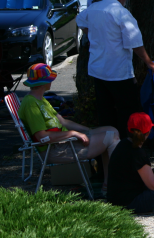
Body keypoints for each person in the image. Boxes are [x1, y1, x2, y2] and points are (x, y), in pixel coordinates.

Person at [76, 0, 154, 139]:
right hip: (118, 72)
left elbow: (80, 20)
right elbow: (135, 42)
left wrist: (94, 35)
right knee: (129, 112)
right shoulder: (121, 13)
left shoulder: (94, 8)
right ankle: (128, 144)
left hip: (98, 71)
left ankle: (108, 146)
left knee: (105, 113)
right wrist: (149, 63)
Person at [18, 63, 120, 194]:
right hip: (55, 150)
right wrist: (74, 133)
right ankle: (113, 187)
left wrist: (88, 130)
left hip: (64, 144)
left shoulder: (40, 99)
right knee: (111, 137)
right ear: (44, 82)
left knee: (111, 130)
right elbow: (42, 137)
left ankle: (109, 184)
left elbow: (63, 121)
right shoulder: (30, 104)